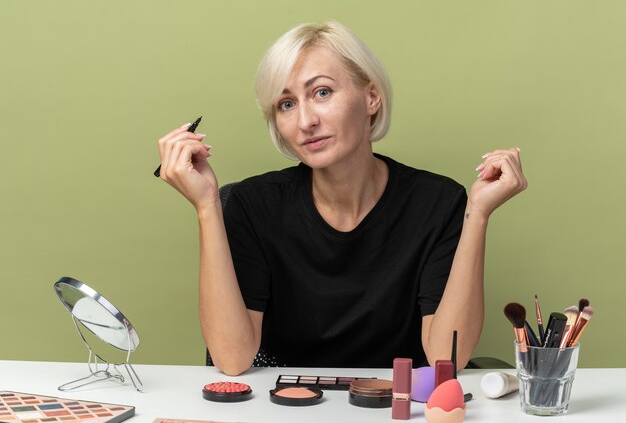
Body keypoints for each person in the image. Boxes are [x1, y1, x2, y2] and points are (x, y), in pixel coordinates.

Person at [157, 21, 527, 376]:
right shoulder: (251, 205)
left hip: (390, 406)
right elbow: (232, 359)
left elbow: (447, 358)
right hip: (280, 407)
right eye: (286, 104)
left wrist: (477, 215)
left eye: (322, 92)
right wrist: (206, 206)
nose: (305, 121)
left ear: (371, 97)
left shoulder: (438, 202)